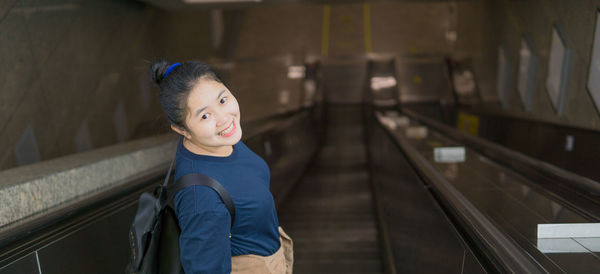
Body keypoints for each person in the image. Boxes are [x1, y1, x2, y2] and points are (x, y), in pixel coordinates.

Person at [151, 60, 293, 273]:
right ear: (183, 130)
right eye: (205, 115)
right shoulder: (201, 198)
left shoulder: (219, 142)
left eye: (223, 100)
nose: (224, 119)